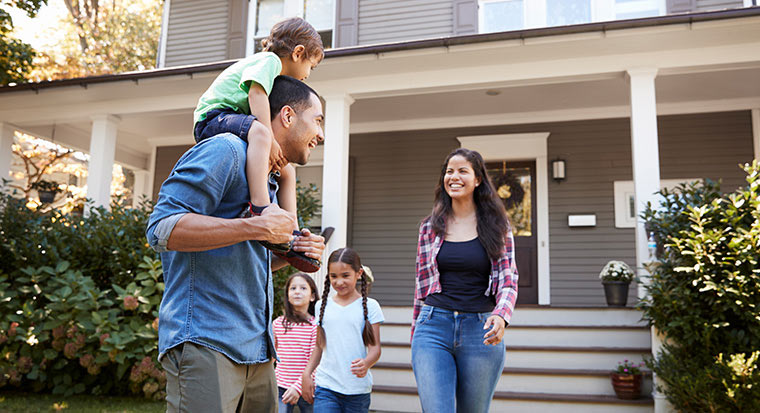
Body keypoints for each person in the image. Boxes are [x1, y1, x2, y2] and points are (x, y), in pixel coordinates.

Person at [145, 75, 326, 413]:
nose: (321, 133)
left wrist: (292, 253)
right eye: (317, 120)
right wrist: (254, 225)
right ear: (287, 116)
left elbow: (245, 254)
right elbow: (161, 228)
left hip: (258, 351)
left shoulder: (270, 179)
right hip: (207, 342)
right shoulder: (225, 150)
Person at [193, 17, 324, 272]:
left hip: (228, 118)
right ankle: (261, 207)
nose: (308, 75)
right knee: (260, 134)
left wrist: (292, 247)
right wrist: (269, 137)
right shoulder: (269, 61)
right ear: (298, 53)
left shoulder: (272, 71)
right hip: (213, 116)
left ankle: (292, 237)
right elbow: (256, 94)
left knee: (287, 170)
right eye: (311, 66)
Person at [410, 148, 519, 413]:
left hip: (480, 331)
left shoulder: (498, 226)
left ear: (478, 179)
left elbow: (508, 279)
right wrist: (415, 332)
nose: (453, 176)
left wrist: (501, 316)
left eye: (462, 171)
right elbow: (421, 286)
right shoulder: (429, 227)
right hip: (434, 326)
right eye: (449, 171)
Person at [301, 248, 384, 413]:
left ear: (358, 273)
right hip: (326, 387)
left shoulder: (371, 306)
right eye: (334, 276)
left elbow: (375, 349)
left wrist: (367, 363)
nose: (339, 282)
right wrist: (306, 374)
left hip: (357, 390)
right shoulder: (321, 306)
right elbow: (319, 346)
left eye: (345, 275)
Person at [273, 273, 319, 413]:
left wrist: (298, 387)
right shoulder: (277, 324)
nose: (297, 291)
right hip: (280, 386)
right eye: (293, 288)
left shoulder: (315, 326)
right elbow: (272, 356)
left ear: (312, 296)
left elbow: (316, 362)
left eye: (303, 288)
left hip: (308, 386)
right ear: (287, 295)